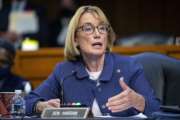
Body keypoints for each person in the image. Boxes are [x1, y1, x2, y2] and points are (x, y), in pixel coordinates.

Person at [25, 6, 160, 117]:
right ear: (75, 39)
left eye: (102, 28)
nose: (97, 34)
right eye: (88, 28)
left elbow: (158, 110)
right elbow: (25, 103)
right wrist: (40, 106)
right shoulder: (64, 71)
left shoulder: (129, 66)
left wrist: (140, 102)